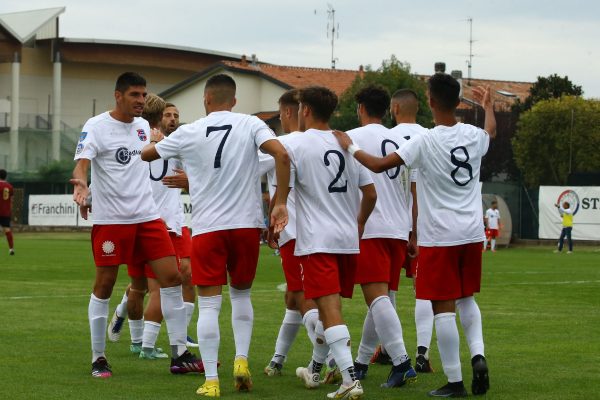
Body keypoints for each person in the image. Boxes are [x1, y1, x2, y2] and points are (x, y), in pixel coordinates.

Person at [333, 73, 495, 397]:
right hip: (473, 232)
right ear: (458, 102)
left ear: (431, 102)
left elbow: (379, 165)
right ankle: (477, 354)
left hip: (439, 235)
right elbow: (491, 131)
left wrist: (350, 147)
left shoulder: (426, 140)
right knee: (467, 299)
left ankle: (455, 381)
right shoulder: (473, 134)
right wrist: (488, 107)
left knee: (443, 306)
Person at [141, 74, 290, 397]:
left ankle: (210, 380)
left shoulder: (190, 131)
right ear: (234, 101)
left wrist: (152, 140)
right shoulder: (250, 124)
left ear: (206, 100)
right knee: (240, 296)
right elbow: (281, 154)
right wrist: (280, 202)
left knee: (209, 305)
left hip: (208, 228)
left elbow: (147, 156)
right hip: (246, 226)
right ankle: (241, 359)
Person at [71, 72, 199, 379]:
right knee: (105, 284)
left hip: (147, 217)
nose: (141, 101)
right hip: (112, 220)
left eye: (143, 95)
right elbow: (82, 163)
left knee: (172, 276)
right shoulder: (96, 126)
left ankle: (179, 353)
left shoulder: (144, 128)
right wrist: (81, 184)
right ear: (118, 96)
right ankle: (98, 357)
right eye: (135, 95)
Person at [285, 86, 377, 400]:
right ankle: (315, 369)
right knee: (329, 312)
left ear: (305, 110)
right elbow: (371, 194)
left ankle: (350, 380)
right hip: (347, 239)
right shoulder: (348, 142)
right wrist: (360, 222)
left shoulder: (296, 142)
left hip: (317, 240)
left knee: (329, 310)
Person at [107, 100, 199, 352]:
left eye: (175, 115)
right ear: (159, 117)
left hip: (161, 222)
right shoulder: (145, 142)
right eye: (167, 114)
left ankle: (146, 336)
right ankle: (144, 344)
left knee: (177, 279)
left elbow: (193, 177)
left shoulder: (169, 144)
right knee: (153, 286)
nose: (172, 119)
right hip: (151, 223)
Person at [345, 85, 417, 388]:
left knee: (376, 298)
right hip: (399, 229)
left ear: (361, 108)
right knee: (382, 298)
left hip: (370, 226)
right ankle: (361, 362)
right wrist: (414, 230)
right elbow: (413, 188)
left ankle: (401, 362)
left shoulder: (351, 138)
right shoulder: (403, 139)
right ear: (387, 109)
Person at [260, 90, 321, 377]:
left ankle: (329, 357)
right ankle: (278, 359)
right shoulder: (323, 142)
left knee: (299, 294)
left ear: (286, 113)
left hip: (294, 231)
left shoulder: (280, 146)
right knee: (293, 299)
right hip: (322, 230)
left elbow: (243, 168)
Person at [0, 169, 15, 255]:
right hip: (5, 212)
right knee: (7, 230)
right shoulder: (10, 186)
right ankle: (11, 249)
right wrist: (10, 211)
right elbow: (11, 200)